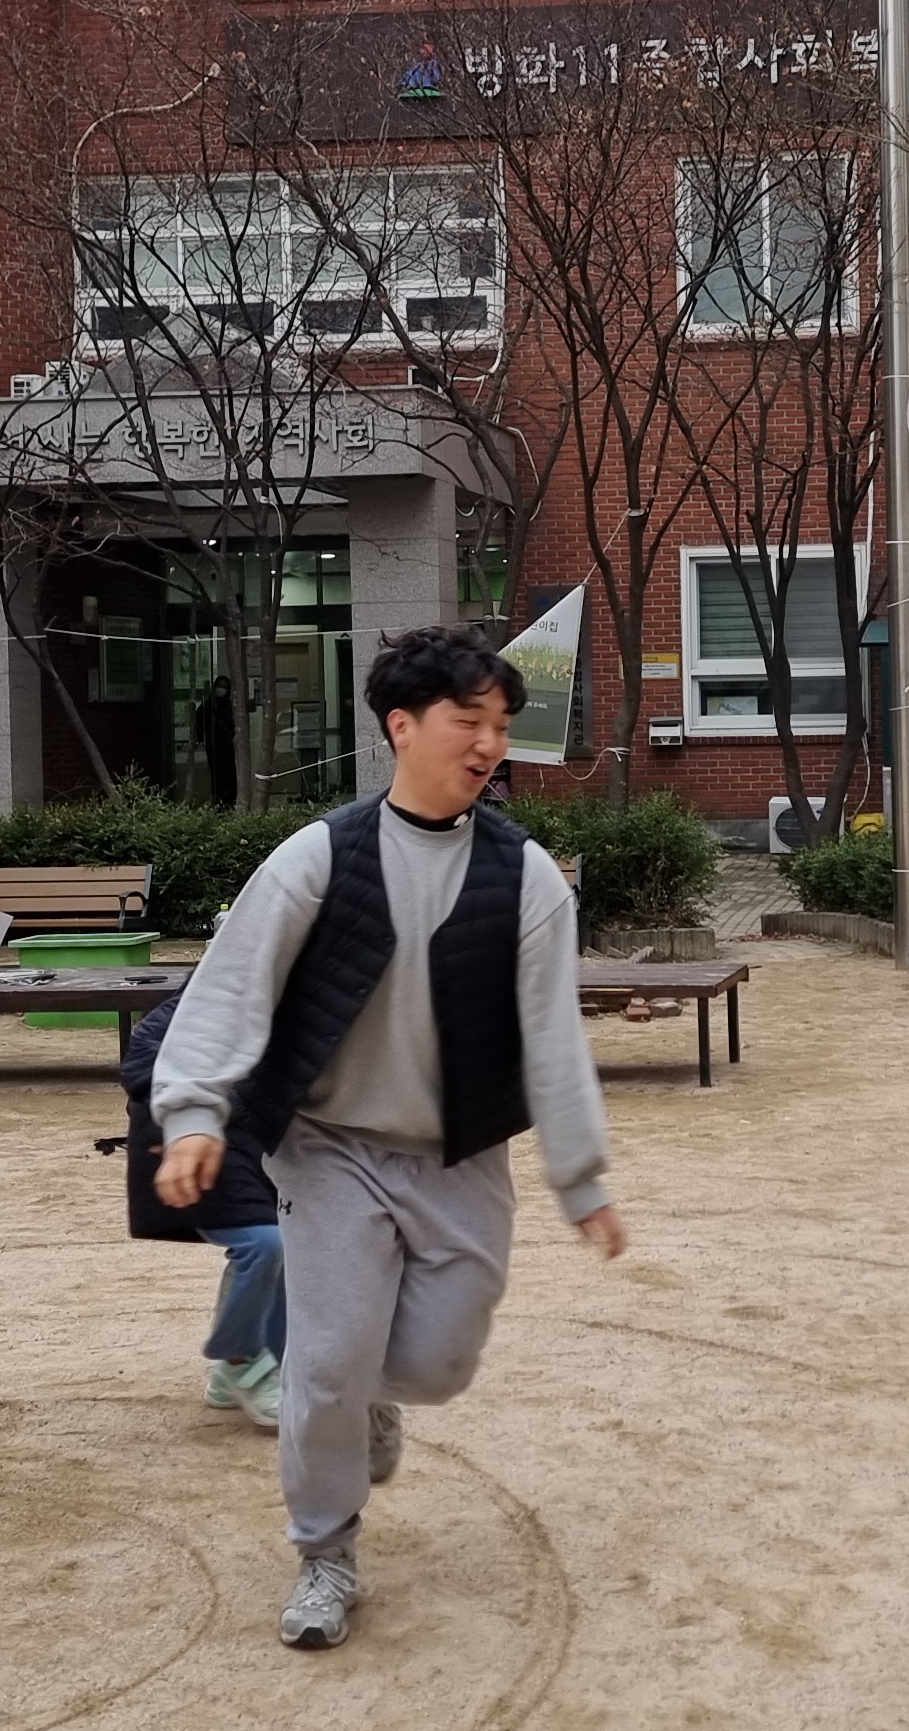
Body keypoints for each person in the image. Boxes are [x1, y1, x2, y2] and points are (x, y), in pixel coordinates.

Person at [148, 622, 626, 1653]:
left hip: (459, 1152)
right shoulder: (322, 855)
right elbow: (232, 988)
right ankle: (325, 1552)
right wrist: (192, 1113)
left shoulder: (526, 876)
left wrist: (581, 1177)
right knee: (326, 1360)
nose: (490, 742)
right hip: (328, 1149)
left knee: (441, 1362)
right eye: (469, 719)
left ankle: (370, 1398)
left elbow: (552, 1035)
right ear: (401, 726)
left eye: (501, 724)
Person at [118, 983, 285, 1427]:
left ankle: (256, 1368)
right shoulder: (214, 991)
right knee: (265, 1243)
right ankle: (241, 1360)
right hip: (192, 1144)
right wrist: (184, 1123)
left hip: (265, 1148)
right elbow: (144, 1057)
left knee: (290, 1249)